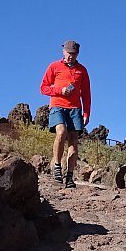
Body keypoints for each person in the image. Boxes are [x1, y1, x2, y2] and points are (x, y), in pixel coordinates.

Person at [39, 40, 91, 188]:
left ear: (77, 54)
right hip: (57, 106)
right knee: (61, 132)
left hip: (75, 108)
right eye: (68, 53)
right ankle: (57, 166)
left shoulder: (82, 70)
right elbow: (43, 88)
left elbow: (86, 93)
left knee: (73, 141)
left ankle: (69, 176)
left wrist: (86, 112)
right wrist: (59, 91)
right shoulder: (54, 66)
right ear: (63, 51)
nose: (70, 56)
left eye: (73, 54)